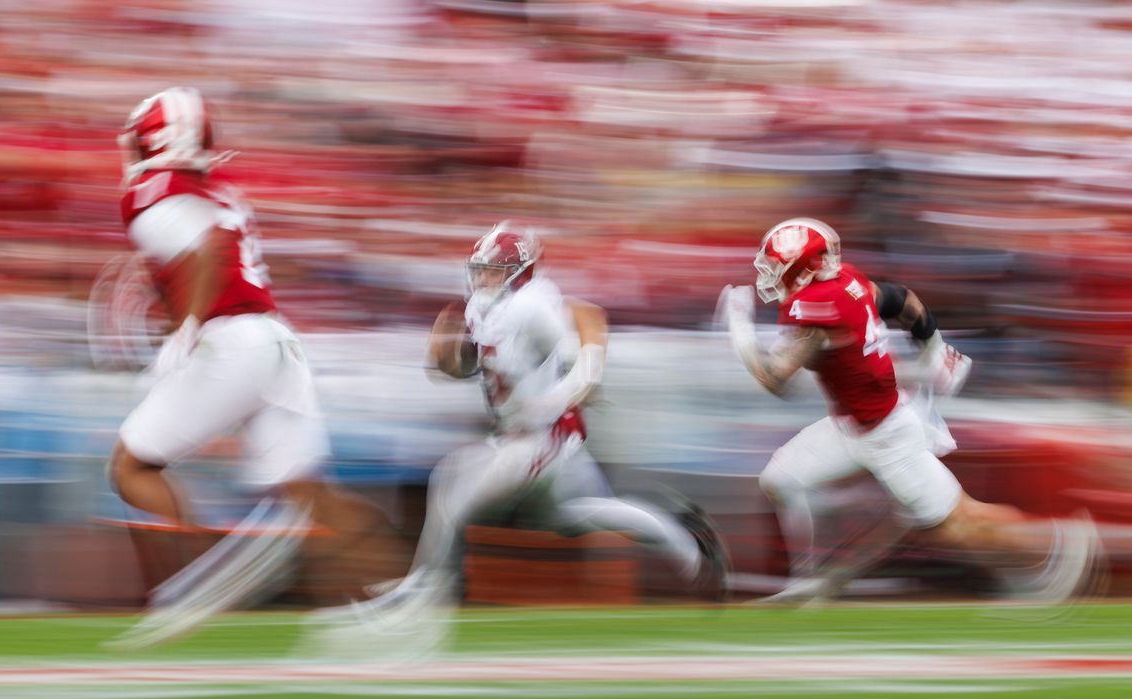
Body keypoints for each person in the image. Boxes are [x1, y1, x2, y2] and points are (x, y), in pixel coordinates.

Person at [107, 87, 391, 646]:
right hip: (276, 341)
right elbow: (212, 251)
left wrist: (185, 326)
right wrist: (176, 312)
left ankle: (190, 586)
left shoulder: (151, 191)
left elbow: (207, 251)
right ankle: (399, 591)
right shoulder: (220, 190)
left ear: (153, 141)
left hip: (230, 344)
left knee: (130, 467)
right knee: (310, 494)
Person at [343, 221, 728, 616]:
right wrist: (448, 363)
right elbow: (480, 368)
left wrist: (573, 387)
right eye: (479, 269)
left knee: (454, 486)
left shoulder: (532, 304)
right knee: (571, 516)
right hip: (525, 436)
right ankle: (690, 545)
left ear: (518, 273)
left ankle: (429, 588)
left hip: (540, 438)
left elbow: (586, 323)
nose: (482, 278)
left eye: (491, 270)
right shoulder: (484, 307)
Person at [717, 217, 1099, 605]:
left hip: (887, 435)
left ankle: (1056, 544)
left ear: (805, 268)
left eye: (776, 267)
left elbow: (774, 380)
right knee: (781, 479)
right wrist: (933, 346)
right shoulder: (846, 280)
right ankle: (812, 578)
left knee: (960, 523)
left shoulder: (816, 307)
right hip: (852, 425)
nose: (769, 277)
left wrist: (739, 327)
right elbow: (900, 299)